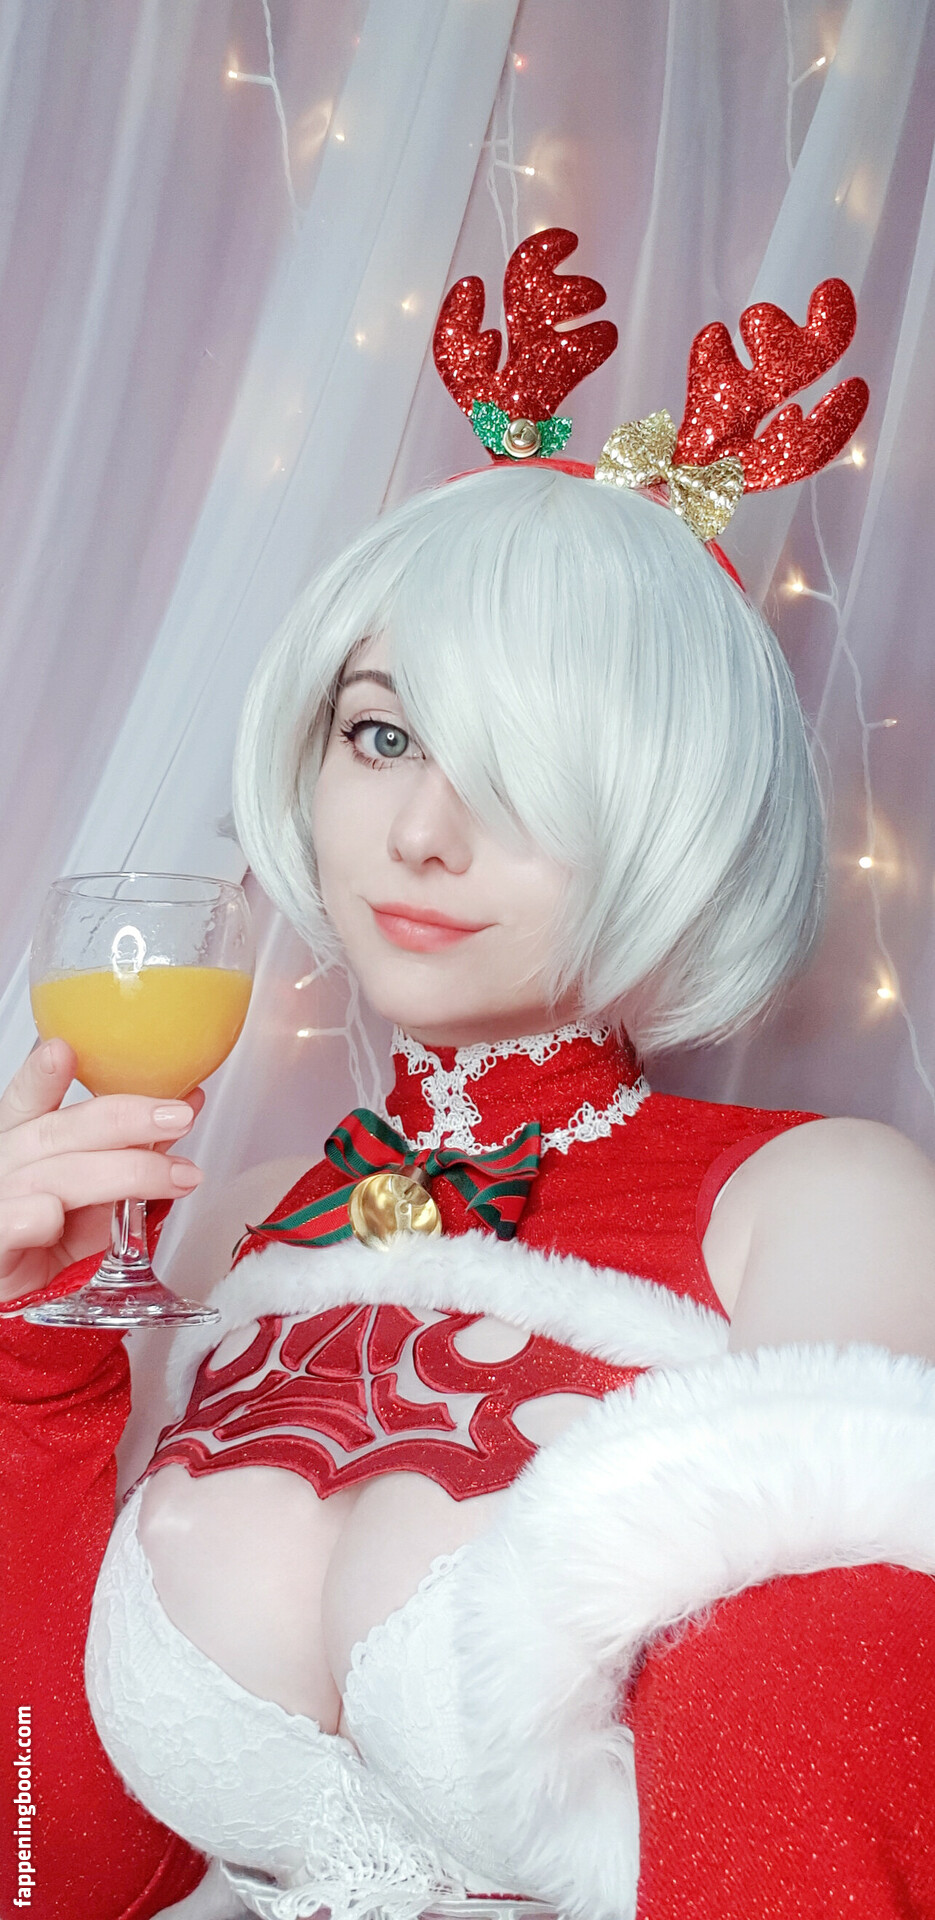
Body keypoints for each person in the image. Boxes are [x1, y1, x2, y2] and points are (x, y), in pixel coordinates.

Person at [2, 248, 935, 1920]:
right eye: (382, 735)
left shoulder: (820, 1204)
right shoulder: (221, 1230)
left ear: (678, 812)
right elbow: (57, 1872)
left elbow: (814, 1852)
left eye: (529, 769)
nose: (423, 832)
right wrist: (33, 1369)